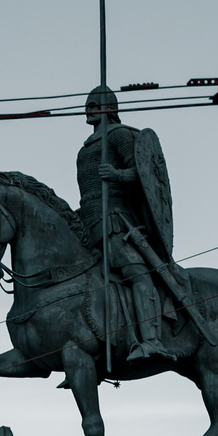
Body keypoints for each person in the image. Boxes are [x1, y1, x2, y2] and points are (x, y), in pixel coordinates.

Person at [73, 81, 181, 364]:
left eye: (96, 104)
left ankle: (152, 340)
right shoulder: (84, 150)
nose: (90, 108)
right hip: (90, 221)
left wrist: (119, 176)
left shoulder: (120, 136)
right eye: (88, 104)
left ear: (111, 108)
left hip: (118, 220)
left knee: (136, 273)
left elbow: (145, 174)